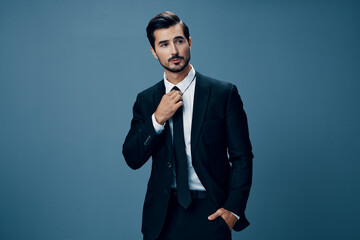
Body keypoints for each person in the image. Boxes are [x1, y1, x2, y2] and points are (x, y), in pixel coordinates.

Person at [122, 11, 253, 240]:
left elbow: (242, 157)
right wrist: (157, 119)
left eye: (179, 41)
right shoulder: (146, 100)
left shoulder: (223, 94)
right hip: (162, 217)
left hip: (210, 212)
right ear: (153, 52)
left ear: (189, 43)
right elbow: (132, 158)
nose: (173, 51)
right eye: (163, 44)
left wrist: (233, 210)